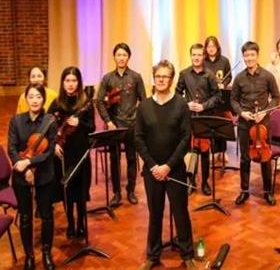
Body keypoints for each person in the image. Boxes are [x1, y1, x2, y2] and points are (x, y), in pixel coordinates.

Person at [134, 60, 196, 270]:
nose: (160, 80)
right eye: (158, 76)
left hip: (175, 168)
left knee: (180, 212)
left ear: (171, 80)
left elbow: (186, 138)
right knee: (155, 213)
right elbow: (138, 138)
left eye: (165, 76)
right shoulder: (144, 106)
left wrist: (168, 166)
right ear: (154, 78)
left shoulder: (180, 104)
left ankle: (187, 254)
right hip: (152, 171)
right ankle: (153, 255)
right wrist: (153, 166)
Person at [8, 83, 57, 270]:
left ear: (43, 99)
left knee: (46, 215)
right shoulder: (16, 121)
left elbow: (49, 152)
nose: (35, 100)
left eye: (38, 96)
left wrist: (29, 162)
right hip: (21, 175)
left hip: (44, 173)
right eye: (31, 97)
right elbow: (11, 149)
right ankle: (29, 255)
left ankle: (46, 253)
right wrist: (24, 168)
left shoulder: (50, 121)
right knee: (26, 217)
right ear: (26, 99)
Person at [230, 41, 280, 206]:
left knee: (265, 158)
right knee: (245, 158)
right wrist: (241, 113)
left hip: (263, 123)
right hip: (245, 124)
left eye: (252, 55)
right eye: (246, 55)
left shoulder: (267, 76)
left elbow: (276, 97)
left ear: (257, 56)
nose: (249, 58)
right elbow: (233, 100)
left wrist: (265, 112)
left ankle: (267, 192)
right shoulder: (239, 78)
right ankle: (244, 191)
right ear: (243, 57)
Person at [97, 42, 146, 206]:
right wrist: (108, 121)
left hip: (132, 125)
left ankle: (130, 190)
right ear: (114, 57)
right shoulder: (107, 78)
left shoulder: (136, 77)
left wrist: (139, 120)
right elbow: (99, 101)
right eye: (118, 55)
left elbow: (144, 101)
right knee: (114, 159)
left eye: (124, 55)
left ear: (128, 57)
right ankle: (116, 193)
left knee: (132, 158)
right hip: (114, 126)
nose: (121, 58)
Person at [48, 67, 94, 239]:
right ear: (62, 83)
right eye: (67, 80)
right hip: (63, 154)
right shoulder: (56, 103)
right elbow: (48, 129)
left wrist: (79, 123)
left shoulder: (85, 103)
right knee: (67, 192)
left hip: (81, 153)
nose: (70, 84)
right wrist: (54, 145)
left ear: (79, 83)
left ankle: (81, 222)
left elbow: (92, 128)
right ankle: (70, 223)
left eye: (74, 81)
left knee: (81, 192)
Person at [176, 43, 220, 196]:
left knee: (205, 152)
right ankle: (191, 180)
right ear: (190, 56)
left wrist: (203, 106)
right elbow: (177, 94)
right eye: (194, 54)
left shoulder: (209, 75)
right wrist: (186, 104)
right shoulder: (184, 74)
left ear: (203, 56)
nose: (196, 57)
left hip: (204, 117)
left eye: (199, 55)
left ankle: (205, 182)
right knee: (190, 150)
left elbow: (217, 96)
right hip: (189, 118)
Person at [203, 36, 233, 163]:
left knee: (221, 124)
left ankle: (223, 152)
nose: (211, 49)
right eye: (209, 46)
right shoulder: (203, 62)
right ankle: (214, 152)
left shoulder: (224, 61)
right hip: (208, 97)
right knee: (211, 124)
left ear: (217, 47)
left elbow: (229, 76)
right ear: (206, 48)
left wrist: (223, 84)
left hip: (221, 98)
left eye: (213, 46)